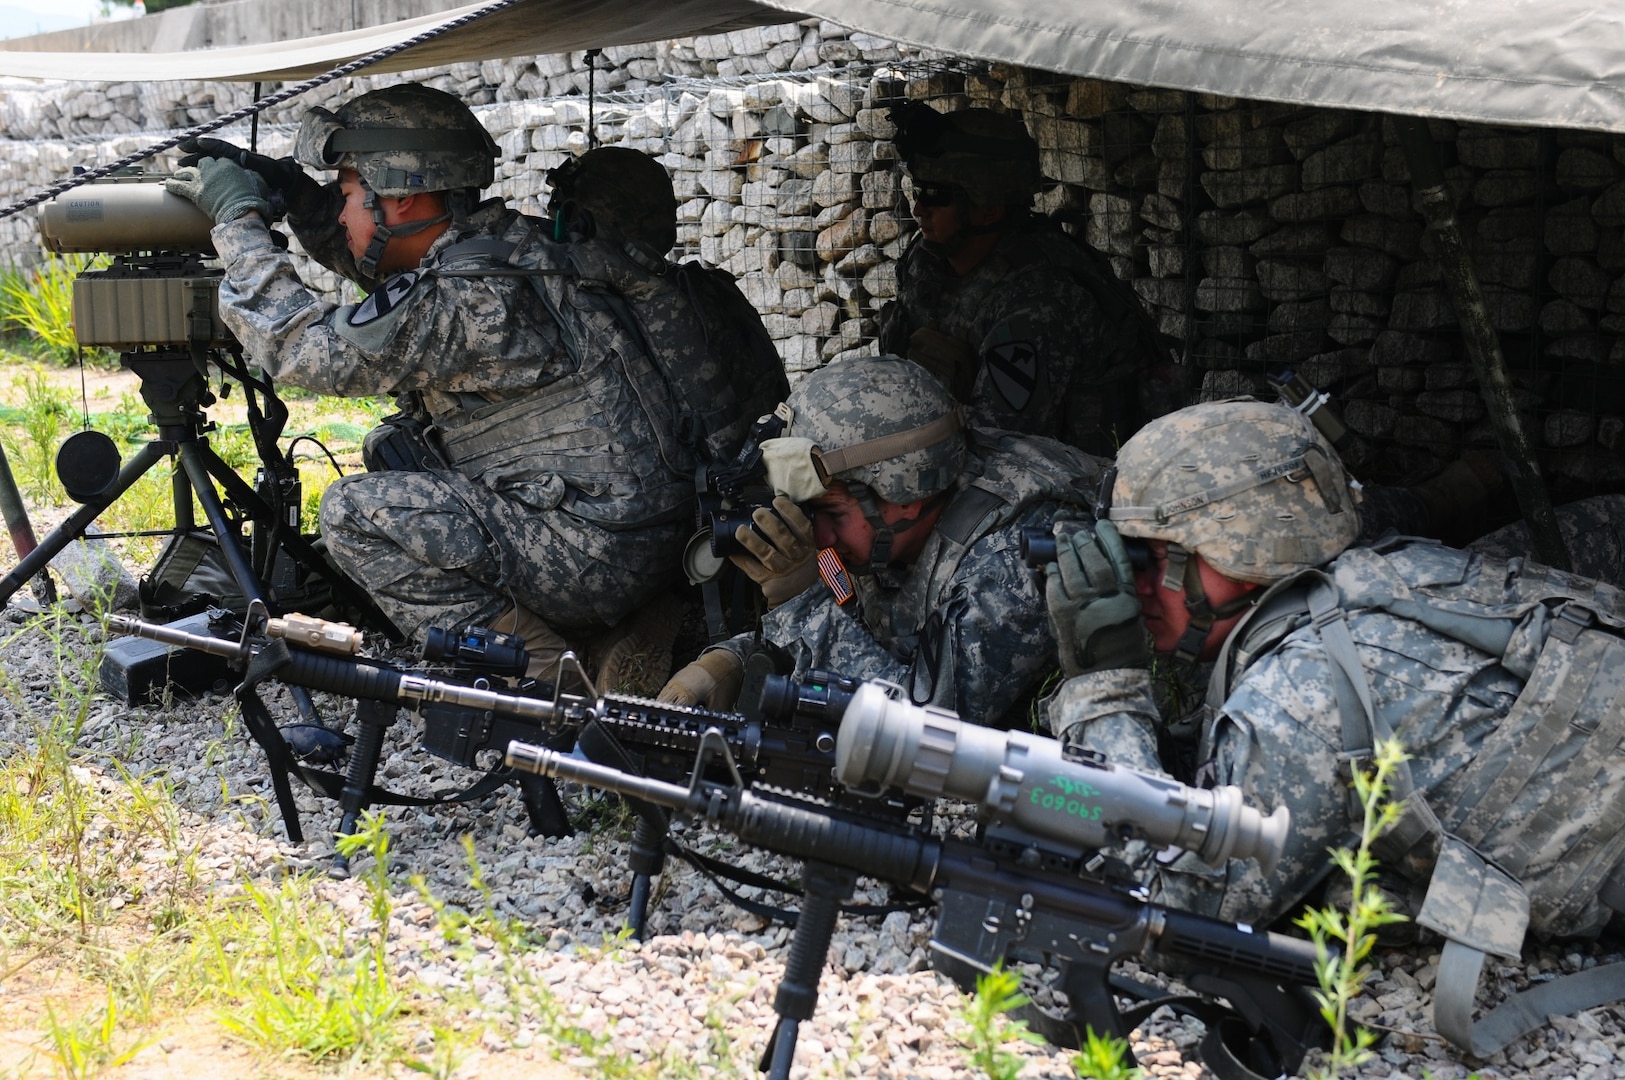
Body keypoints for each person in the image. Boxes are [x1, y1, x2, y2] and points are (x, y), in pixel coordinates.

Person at [1040, 397, 1625, 1056]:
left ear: (1240, 553)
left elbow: (1174, 905)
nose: (1133, 587)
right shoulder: (1370, 579)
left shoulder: (1303, 687)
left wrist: (1101, 682)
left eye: (1146, 558)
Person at [164, 84, 694, 684]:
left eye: (348, 194)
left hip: (592, 555)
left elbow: (300, 348)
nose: (342, 213)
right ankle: (621, 625)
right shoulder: (514, 247)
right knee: (396, 449)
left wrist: (238, 222)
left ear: (405, 197)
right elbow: (379, 262)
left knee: (353, 514)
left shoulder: (467, 297)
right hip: (649, 535)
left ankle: (550, 679)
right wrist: (294, 195)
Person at [657, 354, 1107, 729]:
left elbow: (927, 732)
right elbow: (866, 629)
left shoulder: (1015, 552)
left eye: (830, 513)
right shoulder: (886, 526)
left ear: (906, 498)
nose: (820, 536)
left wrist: (800, 601)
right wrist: (735, 660)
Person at [877, 102, 1183, 457]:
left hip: (1064, 483)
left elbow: (1002, 443)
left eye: (937, 196)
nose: (919, 209)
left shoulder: (1039, 299)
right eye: (919, 192)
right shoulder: (928, 262)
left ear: (990, 208)